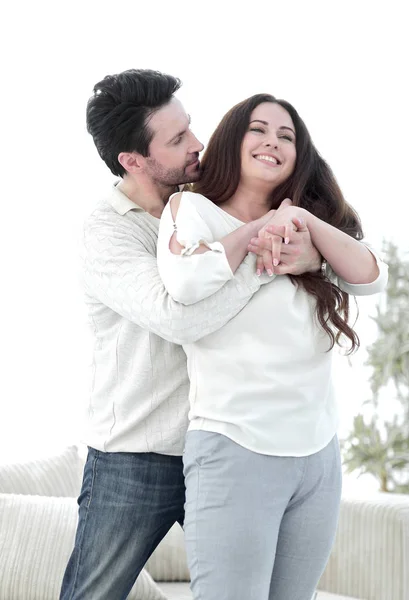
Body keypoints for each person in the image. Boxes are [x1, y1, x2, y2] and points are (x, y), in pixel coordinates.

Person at [60, 71, 322, 600]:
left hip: (228, 446)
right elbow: (177, 318)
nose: (198, 145)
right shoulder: (108, 232)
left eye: (191, 129)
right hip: (138, 456)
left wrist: (311, 253)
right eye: (176, 140)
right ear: (133, 160)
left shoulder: (209, 204)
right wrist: (264, 257)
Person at [156, 93, 388, 600]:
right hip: (235, 449)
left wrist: (306, 228)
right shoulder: (191, 208)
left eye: (287, 136)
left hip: (317, 458)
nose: (272, 142)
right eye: (258, 130)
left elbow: (371, 277)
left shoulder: (307, 233)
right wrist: (262, 227)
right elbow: (185, 282)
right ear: (232, 141)